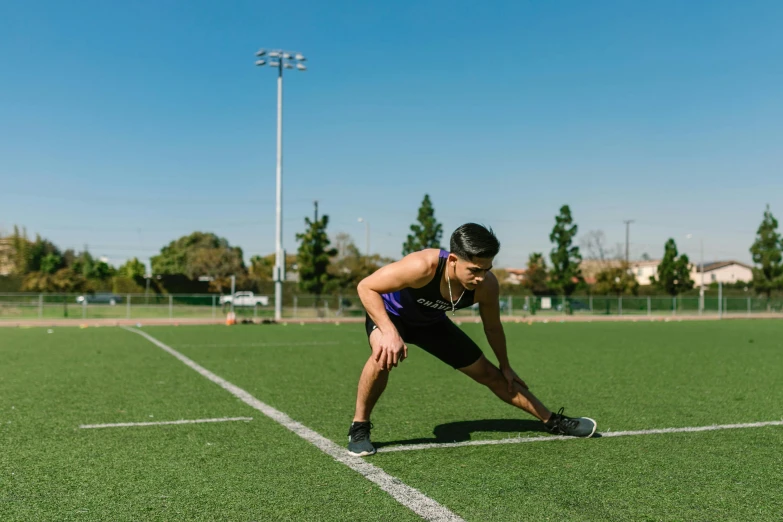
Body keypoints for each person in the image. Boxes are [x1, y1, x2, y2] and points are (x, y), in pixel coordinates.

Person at [347, 223, 596, 456]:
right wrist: (389, 331)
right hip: (391, 315)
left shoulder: (486, 286)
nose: (480, 277)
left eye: (486, 269)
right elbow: (366, 287)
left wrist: (505, 366)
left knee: (491, 374)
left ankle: (552, 421)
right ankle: (359, 427)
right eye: (475, 270)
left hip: (431, 324)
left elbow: (493, 328)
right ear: (453, 260)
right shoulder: (422, 266)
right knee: (382, 355)